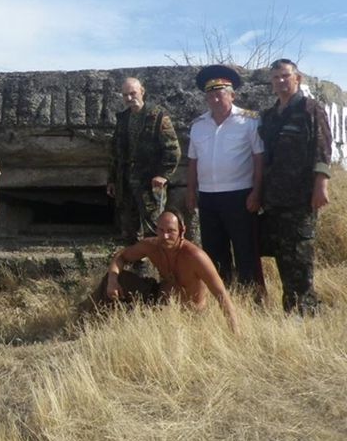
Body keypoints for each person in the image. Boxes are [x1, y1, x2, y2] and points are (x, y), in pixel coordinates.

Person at [83, 210, 240, 335]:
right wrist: (112, 280)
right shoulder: (151, 245)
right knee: (117, 279)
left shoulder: (195, 257)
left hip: (185, 317)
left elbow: (222, 295)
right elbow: (121, 256)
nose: (165, 236)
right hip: (157, 300)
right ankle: (84, 324)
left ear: (182, 231)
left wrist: (236, 333)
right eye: (161, 230)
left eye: (171, 231)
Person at [259, 59, 332, 315]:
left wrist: (321, 184)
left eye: (285, 76)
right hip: (274, 198)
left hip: (301, 197)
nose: (281, 81)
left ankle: (307, 309)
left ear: (297, 78)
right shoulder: (269, 116)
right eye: (276, 77)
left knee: (300, 255)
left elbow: (322, 148)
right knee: (282, 255)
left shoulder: (311, 109)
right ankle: (293, 307)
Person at [186, 65, 264, 296]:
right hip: (209, 197)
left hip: (240, 195)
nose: (215, 98)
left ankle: (254, 300)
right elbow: (192, 161)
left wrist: (257, 193)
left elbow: (259, 159)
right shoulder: (198, 125)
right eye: (210, 94)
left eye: (220, 93)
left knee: (246, 250)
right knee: (214, 251)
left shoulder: (249, 121)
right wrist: (191, 191)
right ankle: (223, 297)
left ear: (232, 94)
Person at [107, 77, 180, 242]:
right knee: (129, 230)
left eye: (133, 93)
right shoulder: (123, 119)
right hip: (125, 182)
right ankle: (134, 265)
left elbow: (172, 149)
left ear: (142, 92)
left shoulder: (157, 116)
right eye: (125, 95)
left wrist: (164, 175)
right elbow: (115, 151)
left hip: (149, 183)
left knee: (154, 229)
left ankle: (158, 265)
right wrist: (112, 179)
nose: (129, 98)